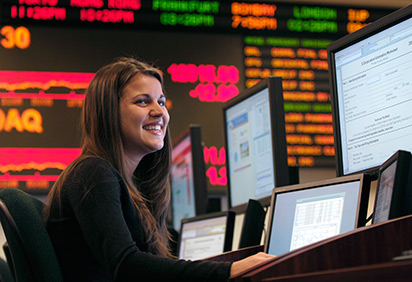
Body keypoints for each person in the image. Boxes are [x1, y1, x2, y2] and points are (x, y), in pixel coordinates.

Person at [43, 56, 275, 282]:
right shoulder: (92, 173)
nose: (160, 112)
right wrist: (230, 270)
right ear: (109, 112)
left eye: (161, 102)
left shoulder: (123, 182)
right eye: (143, 101)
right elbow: (126, 266)